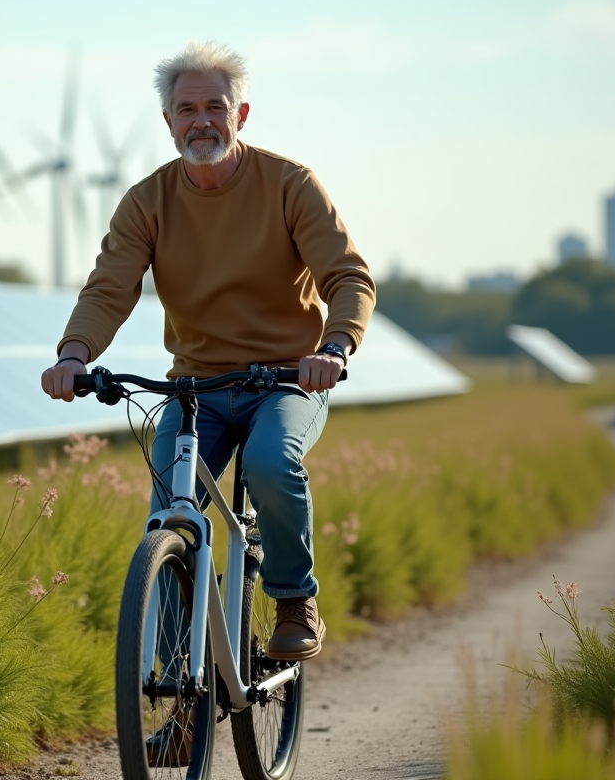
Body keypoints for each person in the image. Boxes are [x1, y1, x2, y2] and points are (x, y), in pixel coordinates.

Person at [40, 40, 375, 666]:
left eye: (215, 107)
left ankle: (294, 598)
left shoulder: (290, 184)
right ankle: (179, 683)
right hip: (197, 390)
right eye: (186, 108)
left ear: (240, 115)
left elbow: (348, 277)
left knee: (274, 465)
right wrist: (73, 355)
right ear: (167, 121)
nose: (201, 121)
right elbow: (110, 287)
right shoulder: (147, 201)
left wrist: (334, 346)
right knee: (170, 515)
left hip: (288, 380)